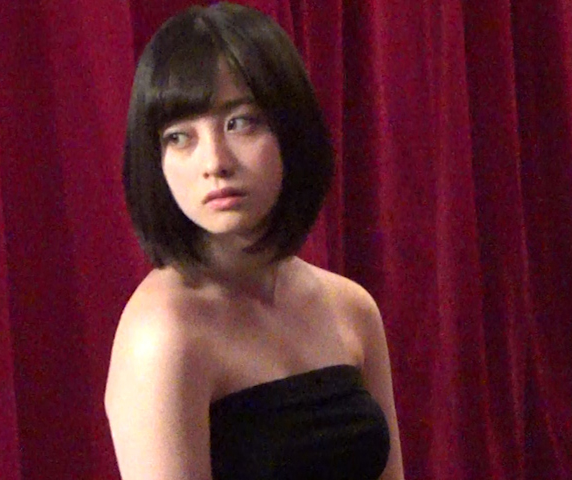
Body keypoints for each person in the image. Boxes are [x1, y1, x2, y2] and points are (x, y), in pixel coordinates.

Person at [105, 3, 405, 479]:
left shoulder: (351, 308)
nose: (214, 162)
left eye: (239, 122)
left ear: (291, 128)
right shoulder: (163, 334)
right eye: (179, 137)